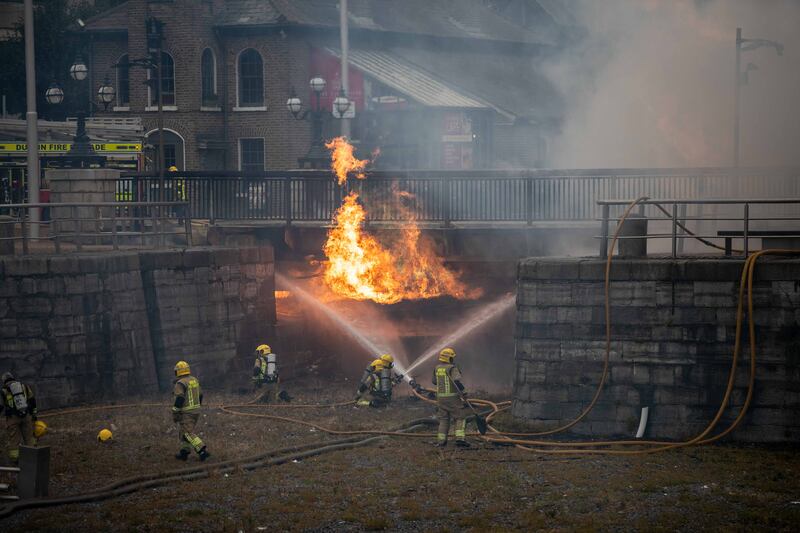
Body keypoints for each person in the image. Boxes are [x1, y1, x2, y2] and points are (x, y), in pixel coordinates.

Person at [432, 348, 470, 448]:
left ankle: (441, 441)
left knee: (444, 419)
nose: (453, 359)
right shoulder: (452, 368)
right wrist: (464, 393)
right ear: (449, 358)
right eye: (452, 357)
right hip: (452, 398)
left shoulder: (437, 368)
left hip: (440, 399)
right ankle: (460, 439)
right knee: (460, 417)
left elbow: (434, 381)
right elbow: (457, 381)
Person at [172, 361, 210, 461]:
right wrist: (197, 407)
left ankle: (202, 450)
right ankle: (184, 452)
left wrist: (175, 411)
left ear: (177, 372)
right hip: (196, 411)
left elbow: (179, 398)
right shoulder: (194, 380)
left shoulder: (180, 383)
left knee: (188, 433)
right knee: (183, 432)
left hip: (186, 412)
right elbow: (201, 395)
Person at [1, 372, 37, 464]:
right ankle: (32, 457)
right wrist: (34, 415)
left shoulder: (3, 390)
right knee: (29, 438)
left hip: (12, 418)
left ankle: (16, 461)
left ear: (4, 381)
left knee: (14, 440)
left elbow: (0, 406)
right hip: (26, 416)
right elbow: (32, 400)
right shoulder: (24, 386)